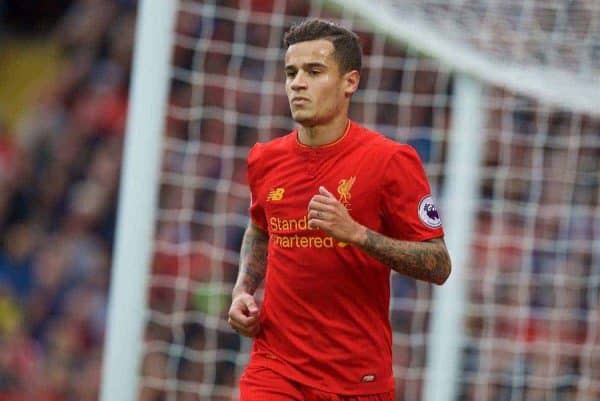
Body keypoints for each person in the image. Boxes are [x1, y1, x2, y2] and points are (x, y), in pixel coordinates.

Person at [227, 18, 451, 401]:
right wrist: (242, 290)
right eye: (291, 72)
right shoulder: (265, 159)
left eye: (314, 71)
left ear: (350, 82)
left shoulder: (390, 161)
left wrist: (358, 234)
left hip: (357, 379)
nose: (298, 83)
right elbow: (261, 228)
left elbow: (438, 264)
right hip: (275, 368)